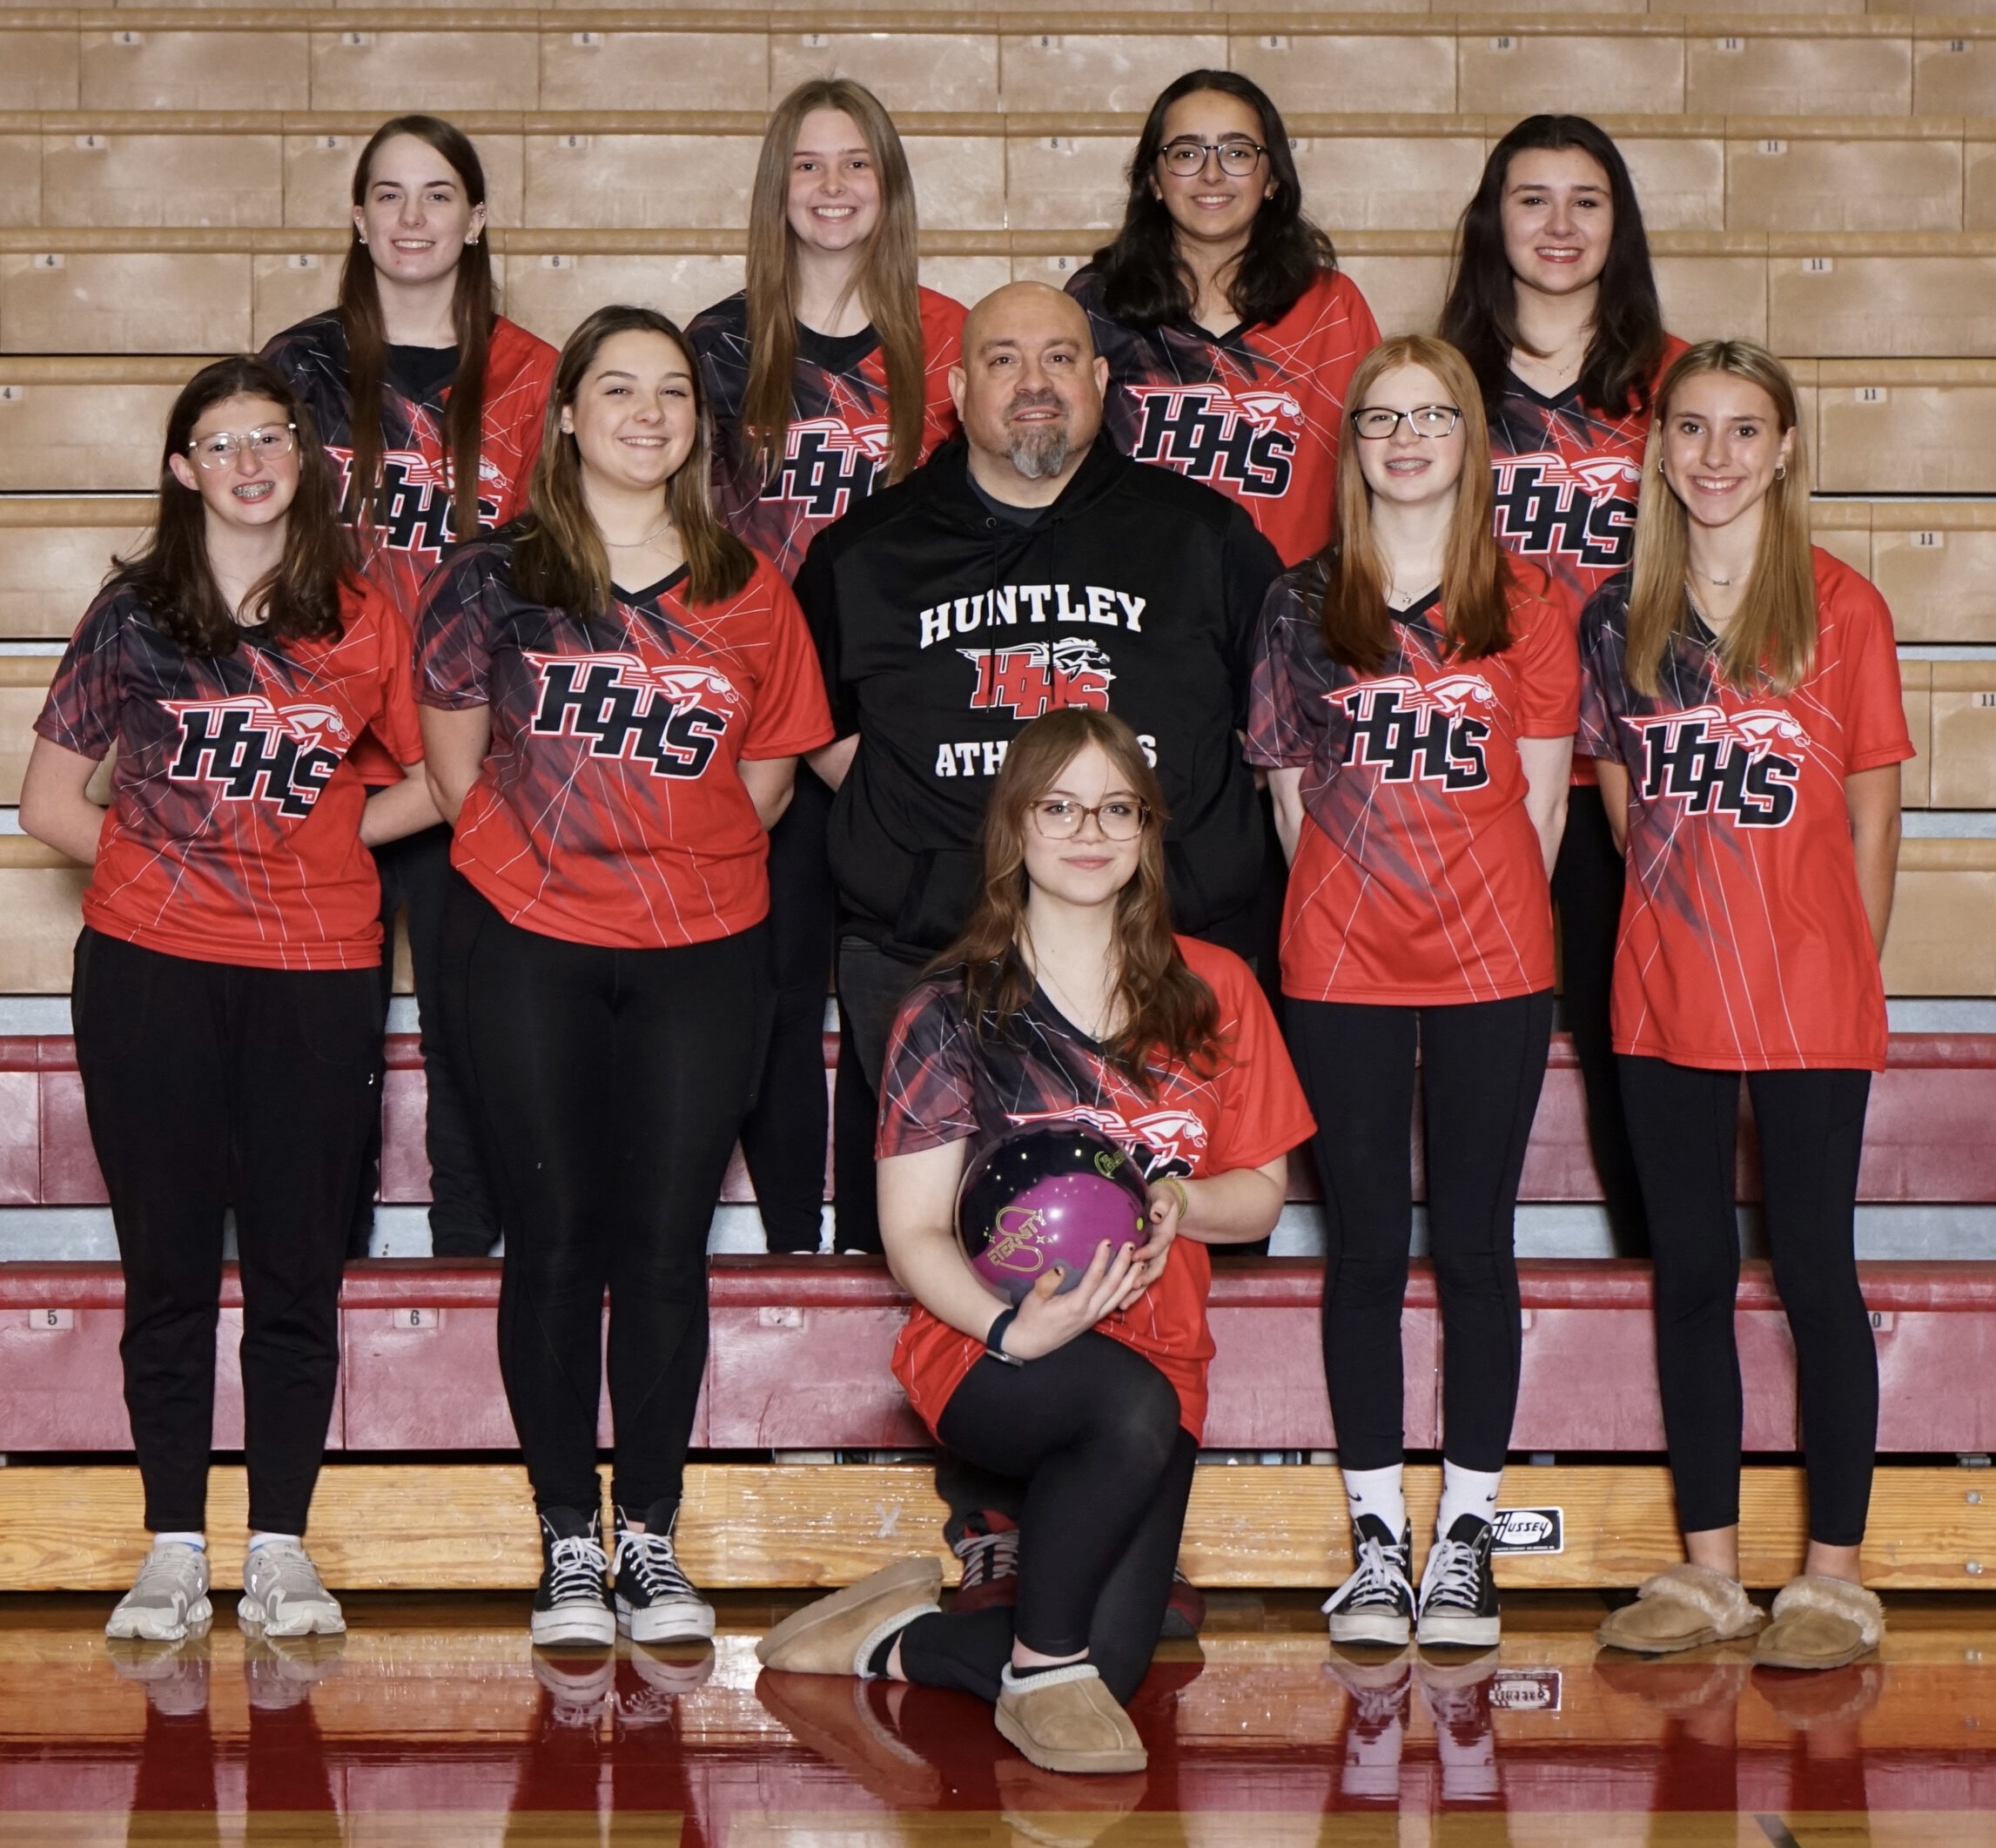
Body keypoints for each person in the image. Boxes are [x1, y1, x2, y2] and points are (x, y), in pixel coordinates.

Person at [796, 278, 1283, 1618]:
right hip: (931, 956)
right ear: (954, 390)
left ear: (1101, 381)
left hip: (1136, 950)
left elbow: (1267, 722)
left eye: (1060, 356)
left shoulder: (1199, 537)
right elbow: (814, 731)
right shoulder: (868, 547)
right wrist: (930, 852)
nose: (1032, 381)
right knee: (969, 1234)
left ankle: (1108, 1496)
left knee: (1126, 1223)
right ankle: (996, 1524)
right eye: (1000, 358)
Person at [754, 709, 1314, 1774]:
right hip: (986, 1353)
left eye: (1115, 808)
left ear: (1148, 831)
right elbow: (912, 1229)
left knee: (1110, 1667)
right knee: (1118, 1422)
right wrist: (1011, 1325)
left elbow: (1261, 1197)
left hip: (1162, 1354)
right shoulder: (953, 1008)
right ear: (1014, 829)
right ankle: (1040, 1665)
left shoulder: (1213, 990)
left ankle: (889, 1636)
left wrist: (1182, 1203)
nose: (1088, 830)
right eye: (1059, 807)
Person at [415, 306, 834, 1650]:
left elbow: (766, 779)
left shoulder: (747, 584)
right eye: (618, 388)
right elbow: (451, 768)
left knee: (662, 1246)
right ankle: (566, 1541)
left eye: (671, 392)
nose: (648, 412)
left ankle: (647, 1531)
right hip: (528, 942)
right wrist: (563, 866)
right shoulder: (494, 577)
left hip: (705, 950)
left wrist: (668, 862)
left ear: (694, 425)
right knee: (554, 1236)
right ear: (572, 415)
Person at [19, 356, 436, 1643]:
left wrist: (318, 846)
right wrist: (189, 867)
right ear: (182, 468)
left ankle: (280, 1547)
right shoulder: (134, 613)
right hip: (153, 970)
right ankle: (171, 1545)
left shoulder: (366, 610)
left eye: (273, 435)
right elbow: (48, 804)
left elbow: (449, 782)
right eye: (223, 440)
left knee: (298, 1264)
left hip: (317, 972)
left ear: (303, 461)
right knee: (171, 1267)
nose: (252, 459)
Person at [1247, 334, 1578, 1650]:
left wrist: (1469, 910)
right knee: (1368, 1248)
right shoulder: (1298, 604)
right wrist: (1364, 908)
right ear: (1357, 445)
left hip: (1496, 961)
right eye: (1380, 416)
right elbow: (1287, 803)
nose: (1403, 436)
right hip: (1341, 965)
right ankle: (1377, 1538)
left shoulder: (1532, 602)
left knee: (1478, 1243)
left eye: (1431, 414)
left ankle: (1469, 1542)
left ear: (1468, 439)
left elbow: (1544, 805)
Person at [1583, 342, 1909, 1672]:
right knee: (1693, 1279)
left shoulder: (1844, 607)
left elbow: (1874, 806)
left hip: (1809, 991)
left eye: (1744, 430)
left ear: (1784, 449)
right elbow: (1621, 810)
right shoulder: (1620, 617)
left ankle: (1832, 1576)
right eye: (1693, 429)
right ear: (1660, 448)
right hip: (1665, 990)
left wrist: (1843, 952)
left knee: (1816, 1273)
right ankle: (1707, 1572)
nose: (1715, 455)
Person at [263, 113, 557, 1260]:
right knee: (319, 1030)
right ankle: (317, 1261)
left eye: (438, 195)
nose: (412, 217)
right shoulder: (299, 368)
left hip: (476, 756)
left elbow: (555, 573)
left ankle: (462, 1256)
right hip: (332, 749)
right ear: (356, 217)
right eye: (387, 194)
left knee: (468, 1031)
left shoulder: (534, 377)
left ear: (476, 218)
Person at [689, 78, 967, 1257]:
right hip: (761, 723)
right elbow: (688, 540)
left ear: (889, 185)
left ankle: (888, 1252)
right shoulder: (716, 344)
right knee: (775, 1003)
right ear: (776, 186)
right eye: (809, 165)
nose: (834, 187)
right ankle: (795, 1259)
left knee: (905, 1013)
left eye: (857, 164)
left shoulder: (948, 337)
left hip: (902, 724)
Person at [1438, 114, 1686, 1258]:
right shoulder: (1443, 384)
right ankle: (1445, 1294)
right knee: (1452, 1039)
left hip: (1627, 764)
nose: (1557, 224)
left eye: (1584, 199)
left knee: (1630, 1033)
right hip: (1474, 759)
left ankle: (1658, 1278)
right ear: (1491, 217)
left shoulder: (1672, 380)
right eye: (1530, 197)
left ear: (1619, 222)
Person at [1067, 69, 1379, 571]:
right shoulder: (1095, 302)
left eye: (1236, 152)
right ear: (1154, 180)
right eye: (1187, 153)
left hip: (1292, 612)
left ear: (1273, 177)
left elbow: (1375, 470)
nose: (1212, 174)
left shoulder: (1331, 306)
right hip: (1138, 605)